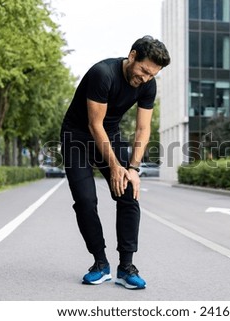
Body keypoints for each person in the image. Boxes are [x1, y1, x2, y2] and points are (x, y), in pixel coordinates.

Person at [60, 36, 170, 290]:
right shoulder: (103, 74)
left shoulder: (147, 85)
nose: (144, 78)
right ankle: (100, 264)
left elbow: (143, 129)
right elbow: (93, 124)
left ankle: (126, 267)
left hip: (109, 135)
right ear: (132, 56)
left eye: (152, 75)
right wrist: (114, 166)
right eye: (143, 71)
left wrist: (132, 169)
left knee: (129, 192)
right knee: (86, 200)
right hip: (76, 136)